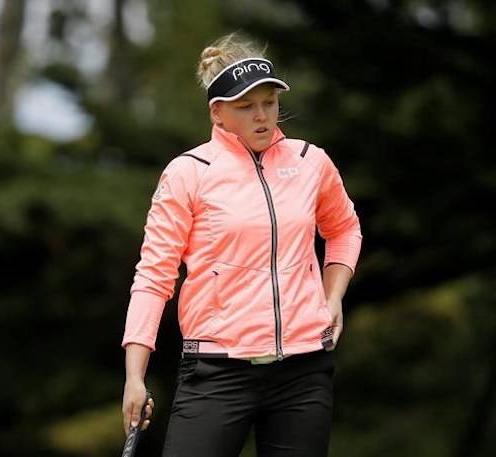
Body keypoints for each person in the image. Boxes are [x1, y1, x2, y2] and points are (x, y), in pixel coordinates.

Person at [121, 32, 362, 457]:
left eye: (269, 102)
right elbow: (154, 276)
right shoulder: (187, 173)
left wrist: (334, 294)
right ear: (218, 113)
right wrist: (134, 375)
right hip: (216, 370)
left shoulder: (311, 162)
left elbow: (343, 229)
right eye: (246, 106)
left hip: (303, 370)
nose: (262, 116)